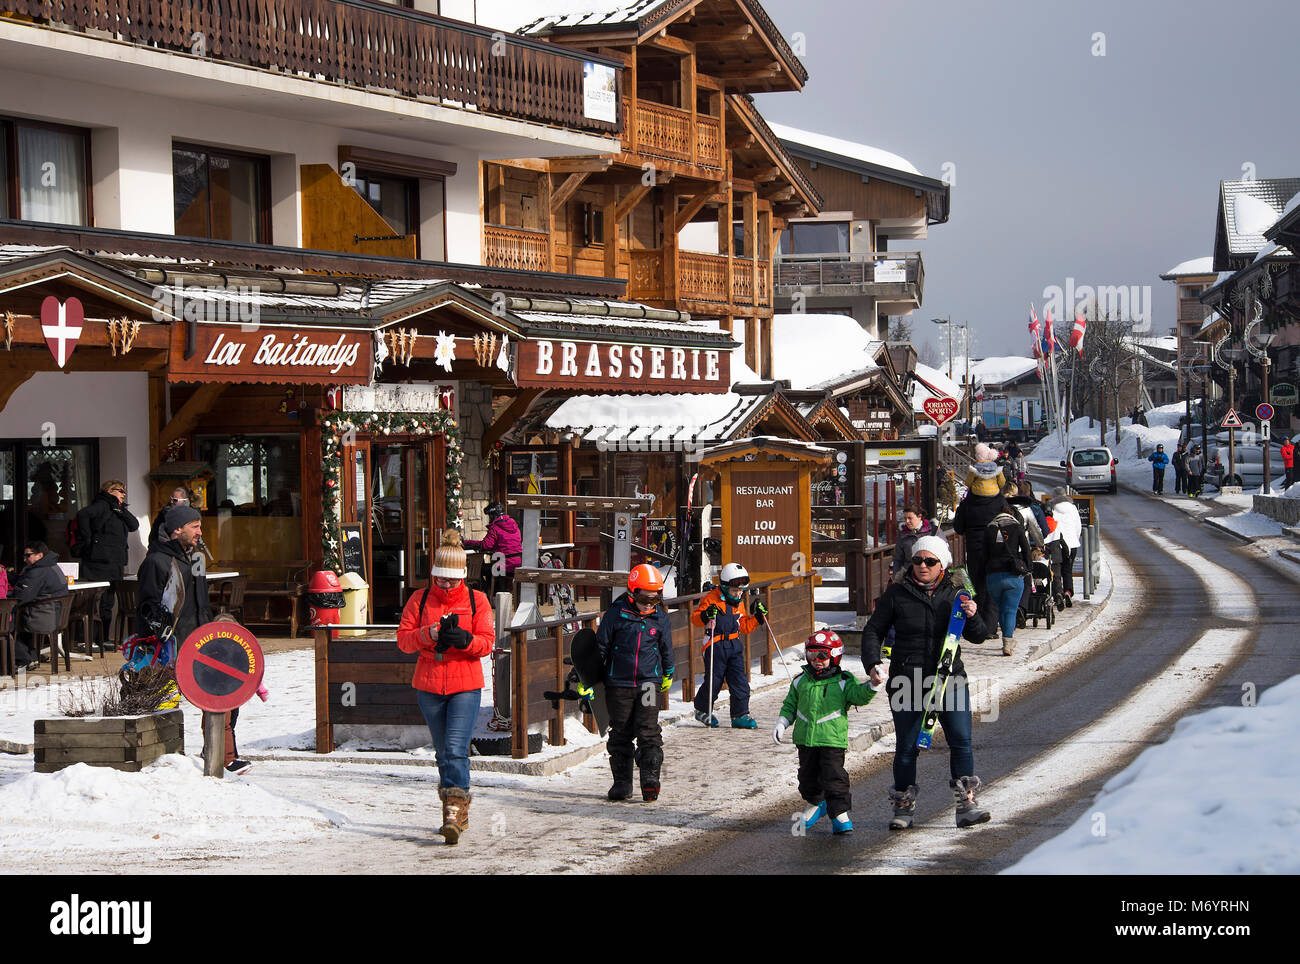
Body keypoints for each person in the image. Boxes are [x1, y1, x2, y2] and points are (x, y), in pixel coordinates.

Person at [860, 535, 990, 829]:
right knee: (907, 746)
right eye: (917, 560)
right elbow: (872, 631)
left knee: (961, 741)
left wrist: (972, 616)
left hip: (950, 680)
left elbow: (979, 636)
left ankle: (966, 803)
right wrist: (873, 663)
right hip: (909, 680)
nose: (922, 566)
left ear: (941, 564)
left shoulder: (956, 594)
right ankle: (903, 806)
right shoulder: (897, 594)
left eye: (929, 561)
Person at [395, 530, 494, 844]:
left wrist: (465, 641)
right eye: (440, 579)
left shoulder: (477, 601)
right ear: (433, 575)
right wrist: (430, 634)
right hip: (429, 682)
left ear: (463, 576)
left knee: (454, 749)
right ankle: (457, 806)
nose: (446, 585)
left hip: (465, 683)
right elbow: (404, 641)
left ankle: (452, 810)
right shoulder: (419, 599)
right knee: (443, 753)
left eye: (452, 580)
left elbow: (487, 643)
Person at [772, 629, 879, 835]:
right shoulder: (799, 681)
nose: (817, 660)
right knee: (807, 775)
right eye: (812, 655)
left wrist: (872, 686)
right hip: (805, 739)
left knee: (834, 776)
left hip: (831, 740)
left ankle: (840, 814)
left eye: (823, 655)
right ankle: (815, 803)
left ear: (835, 656)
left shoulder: (843, 681)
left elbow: (859, 696)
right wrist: (782, 722)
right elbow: (790, 705)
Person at [595, 563, 675, 802]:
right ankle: (622, 783)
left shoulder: (660, 618)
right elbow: (601, 646)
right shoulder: (616, 614)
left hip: (649, 683)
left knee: (648, 730)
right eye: (644, 600)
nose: (649, 605)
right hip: (619, 683)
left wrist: (668, 672)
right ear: (632, 594)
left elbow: (666, 648)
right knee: (620, 731)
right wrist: (589, 675)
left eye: (654, 600)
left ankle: (650, 782)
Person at [691, 562, 765, 729]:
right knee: (715, 680)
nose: (738, 594)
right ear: (724, 587)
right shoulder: (712, 598)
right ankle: (702, 709)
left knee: (739, 680)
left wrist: (757, 618)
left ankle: (740, 714)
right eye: (734, 591)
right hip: (715, 643)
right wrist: (705, 615)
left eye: (741, 591)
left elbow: (744, 626)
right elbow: (695, 618)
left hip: (733, 643)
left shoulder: (738, 602)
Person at [76, 479, 140, 641]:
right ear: (110, 491)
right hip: (98, 563)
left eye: (125, 491)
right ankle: (89, 639)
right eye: (120, 490)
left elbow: (134, 525)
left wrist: (120, 509)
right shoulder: (102, 504)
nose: (124, 494)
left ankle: (104, 639)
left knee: (108, 603)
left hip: (114, 563)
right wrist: (89, 539)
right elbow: (83, 514)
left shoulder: (118, 509)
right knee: (94, 602)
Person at [983, 500, 1034, 656]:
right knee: (1010, 610)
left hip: (993, 576)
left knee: (1001, 610)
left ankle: (1007, 641)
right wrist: (1028, 569)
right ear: (1011, 514)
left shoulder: (989, 529)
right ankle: (1007, 641)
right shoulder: (1017, 527)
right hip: (1013, 575)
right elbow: (1026, 550)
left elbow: (984, 554)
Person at [953, 484, 1003, 638]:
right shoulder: (1000, 501)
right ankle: (991, 626)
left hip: (974, 550)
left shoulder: (967, 503)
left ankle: (978, 624)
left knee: (976, 586)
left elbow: (958, 527)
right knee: (993, 586)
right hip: (995, 549)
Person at [11, 541, 69, 671]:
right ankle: (31, 658)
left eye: (28, 555)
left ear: (40, 555)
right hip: (54, 614)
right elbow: (27, 585)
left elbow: (22, 596)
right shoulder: (52, 566)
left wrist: (12, 592)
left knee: (7, 620)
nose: (25, 559)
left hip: (44, 616)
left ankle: (22, 660)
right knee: (16, 616)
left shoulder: (39, 570)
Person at [463, 501, 523, 598]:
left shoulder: (495, 528)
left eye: (490, 516)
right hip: (517, 564)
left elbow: (486, 545)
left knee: (479, 571)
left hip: (503, 566)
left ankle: (488, 596)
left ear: (493, 515)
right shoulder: (514, 525)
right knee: (491, 569)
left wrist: (467, 543)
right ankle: (494, 594)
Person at [1045, 488, 1081, 603]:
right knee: (1068, 570)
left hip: (1058, 543)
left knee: (1056, 569)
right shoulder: (1073, 508)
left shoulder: (1052, 508)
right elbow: (1078, 526)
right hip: (1072, 543)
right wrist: (1074, 538)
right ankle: (1068, 592)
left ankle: (1058, 593)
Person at [891, 505, 940, 581]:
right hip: (909, 577)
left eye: (910, 518)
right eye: (905, 518)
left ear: (919, 516)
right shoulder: (903, 535)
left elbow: (943, 554)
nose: (907, 521)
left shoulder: (933, 531)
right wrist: (896, 578)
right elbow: (898, 559)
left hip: (930, 574)